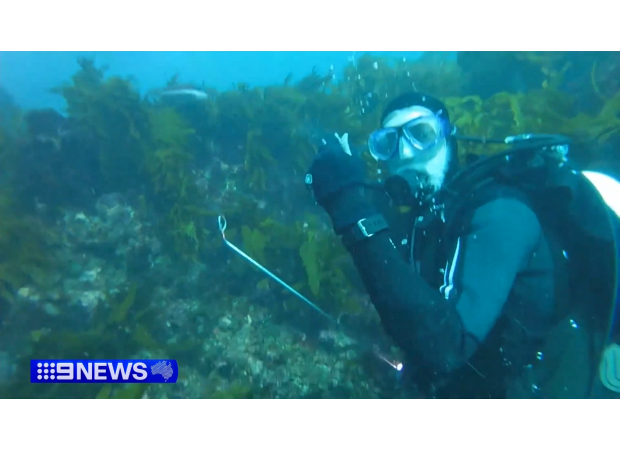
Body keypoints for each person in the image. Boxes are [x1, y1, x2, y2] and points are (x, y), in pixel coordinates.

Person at [305, 92, 620, 398]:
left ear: (448, 137)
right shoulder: (427, 219)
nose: (405, 153)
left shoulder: (500, 213)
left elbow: (444, 347)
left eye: (421, 134)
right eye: (388, 143)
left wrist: (349, 206)